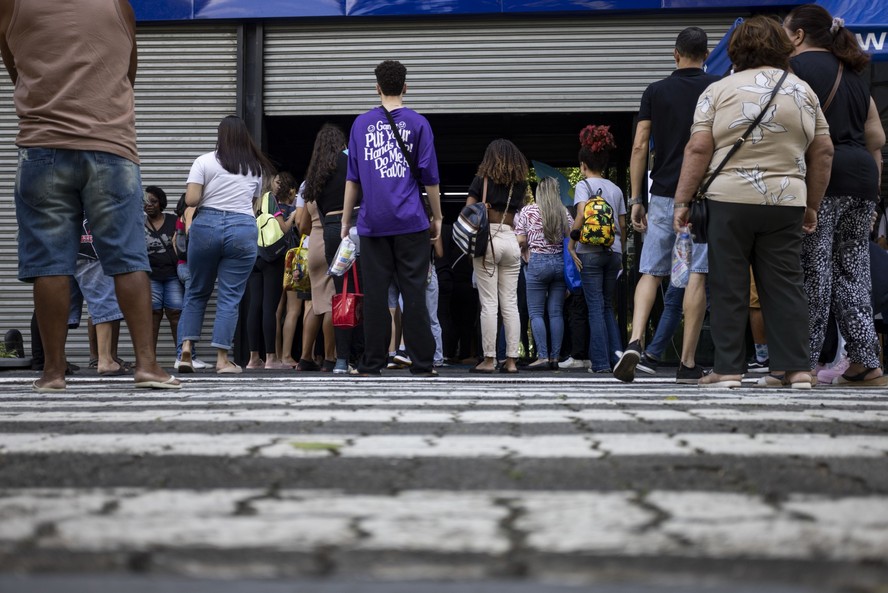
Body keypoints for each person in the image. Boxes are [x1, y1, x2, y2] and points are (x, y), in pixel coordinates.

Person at [0, 0, 178, 391]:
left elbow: (14, 68)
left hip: (41, 146)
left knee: (50, 263)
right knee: (129, 257)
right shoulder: (119, 6)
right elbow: (129, 74)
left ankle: (52, 373)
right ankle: (147, 365)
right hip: (111, 149)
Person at [672, 15, 833, 389]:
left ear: (736, 49)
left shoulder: (718, 91)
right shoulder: (803, 92)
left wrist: (682, 200)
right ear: (782, 45)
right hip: (787, 201)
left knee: (729, 283)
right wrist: (811, 204)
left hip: (730, 199)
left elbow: (698, 147)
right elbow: (823, 151)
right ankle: (794, 369)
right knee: (786, 283)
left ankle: (728, 369)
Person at [784, 4, 888, 388]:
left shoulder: (795, 71)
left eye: (785, 32)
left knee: (814, 272)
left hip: (824, 177)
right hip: (863, 181)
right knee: (854, 272)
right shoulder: (856, 75)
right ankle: (866, 362)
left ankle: (803, 364)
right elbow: (876, 137)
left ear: (797, 36)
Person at [614, 27, 721, 384]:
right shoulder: (718, 88)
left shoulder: (655, 91)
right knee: (697, 274)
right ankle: (687, 362)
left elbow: (640, 145)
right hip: (705, 195)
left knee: (652, 271)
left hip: (662, 195)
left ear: (675, 55)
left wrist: (636, 199)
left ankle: (634, 340)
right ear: (705, 55)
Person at [340, 60, 444, 377]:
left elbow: (352, 179)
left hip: (372, 224)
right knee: (413, 293)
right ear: (405, 87)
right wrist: (437, 218)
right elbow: (430, 179)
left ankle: (372, 363)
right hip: (411, 222)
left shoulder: (360, 125)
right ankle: (423, 363)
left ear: (377, 87)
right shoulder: (419, 124)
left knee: (374, 294)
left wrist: (346, 221)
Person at [178, 115, 273, 374]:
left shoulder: (204, 161)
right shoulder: (254, 167)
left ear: (220, 135)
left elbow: (192, 199)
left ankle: (186, 349)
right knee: (230, 297)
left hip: (206, 226)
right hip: (242, 227)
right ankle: (222, 359)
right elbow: (253, 206)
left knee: (196, 290)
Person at [464, 139, 529, 374]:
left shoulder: (481, 180)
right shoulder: (520, 184)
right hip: (511, 240)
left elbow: (469, 211)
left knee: (489, 304)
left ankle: (489, 360)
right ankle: (511, 361)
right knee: (510, 304)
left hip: (488, 240)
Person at [567, 126, 627, 374]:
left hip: (589, 252)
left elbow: (581, 215)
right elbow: (622, 226)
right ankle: (617, 359)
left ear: (583, 164)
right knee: (605, 306)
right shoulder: (616, 189)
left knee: (594, 307)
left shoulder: (584, 186)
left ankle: (601, 363)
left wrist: (572, 243)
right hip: (613, 253)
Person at [308, 125, 364, 374]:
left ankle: (341, 360)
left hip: (331, 231)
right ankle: (362, 356)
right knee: (364, 291)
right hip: (355, 226)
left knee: (342, 293)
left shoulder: (317, 171)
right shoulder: (350, 158)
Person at [515, 177, 572, 370]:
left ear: (539, 192)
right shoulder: (564, 212)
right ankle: (555, 358)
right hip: (559, 264)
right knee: (556, 313)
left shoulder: (528, 211)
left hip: (537, 263)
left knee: (536, 312)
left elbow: (521, 240)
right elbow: (571, 239)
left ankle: (542, 356)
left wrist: (524, 249)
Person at [245, 172, 300, 370]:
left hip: (253, 255)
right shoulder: (271, 200)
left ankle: (253, 358)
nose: (279, 186)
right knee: (270, 307)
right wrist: (293, 215)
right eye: (276, 182)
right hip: (271, 258)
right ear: (268, 183)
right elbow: (283, 229)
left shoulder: (251, 201)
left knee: (254, 306)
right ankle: (270, 358)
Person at [143, 185, 183, 361]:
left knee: (175, 313)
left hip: (172, 276)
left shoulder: (173, 221)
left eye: (153, 201)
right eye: (146, 202)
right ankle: (149, 359)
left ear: (161, 203)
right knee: (152, 316)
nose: (149, 205)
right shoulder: (139, 224)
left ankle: (182, 356)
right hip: (150, 277)